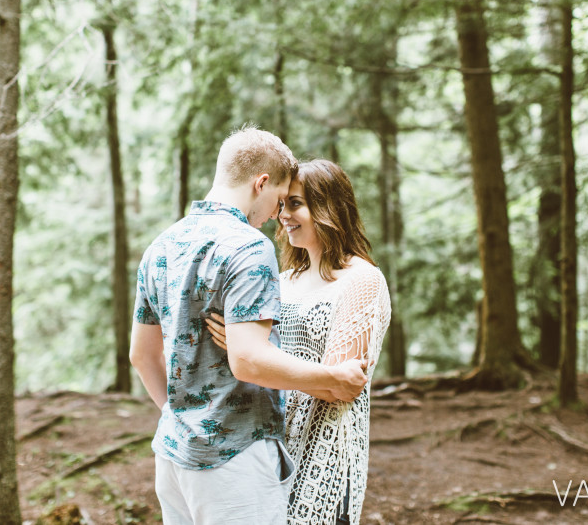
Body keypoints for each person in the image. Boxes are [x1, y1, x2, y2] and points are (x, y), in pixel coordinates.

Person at [130, 129, 369, 525]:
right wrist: (332, 377)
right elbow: (248, 361)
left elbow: (141, 354)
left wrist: (183, 420)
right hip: (234, 460)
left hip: (172, 459)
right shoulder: (248, 246)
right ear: (261, 183)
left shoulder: (161, 245)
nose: (277, 214)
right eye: (278, 200)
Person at [207, 159, 392, 524]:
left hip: (326, 454)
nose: (283, 215)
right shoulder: (284, 279)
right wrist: (249, 352)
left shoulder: (362, 280)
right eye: (283, 205)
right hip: (272, 451)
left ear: (329, 208)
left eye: (296, 204)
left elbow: (338, 387)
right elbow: (313, 374)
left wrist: (250, 352)